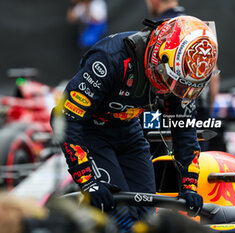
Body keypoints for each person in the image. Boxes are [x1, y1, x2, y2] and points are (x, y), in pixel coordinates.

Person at [51, 15, 218, 229]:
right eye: (173, 81)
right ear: (160, 57)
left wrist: (189, 185)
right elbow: (63, 117)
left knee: (147, 215)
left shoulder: (179, 70)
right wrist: (87, 179)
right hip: (90, 133)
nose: (174, 90)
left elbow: (183, 129)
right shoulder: (109, 59)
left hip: (130, 132)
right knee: (117, 213)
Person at [145, 0, 220, 151]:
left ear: (155, 2)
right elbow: (214, 76)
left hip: (164, 118)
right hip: (198, 114)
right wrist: (206, 114)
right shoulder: (196, 27)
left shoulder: (159, 30)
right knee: (195, 165)